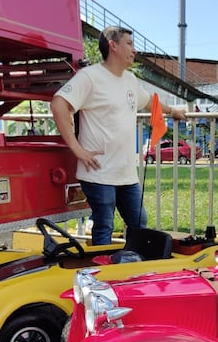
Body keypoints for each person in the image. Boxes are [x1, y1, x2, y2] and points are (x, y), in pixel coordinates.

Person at [51, 26, 186, 245]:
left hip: (126, 172)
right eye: (129, 44)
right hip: (98, 172)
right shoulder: (90, 76)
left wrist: (173, 111)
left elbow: (150, 101)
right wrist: (77, 149)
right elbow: (59, 105)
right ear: (113, 46)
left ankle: (134, 269)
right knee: (104, 225)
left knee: (139, 223)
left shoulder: (130, 79)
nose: (134, 50)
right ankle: (102, 276)